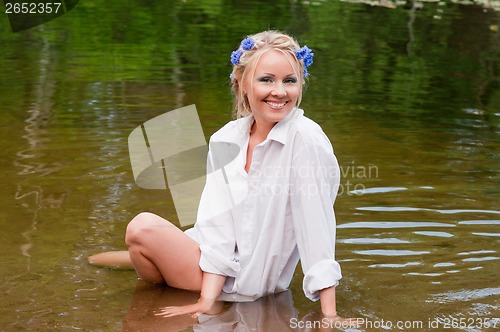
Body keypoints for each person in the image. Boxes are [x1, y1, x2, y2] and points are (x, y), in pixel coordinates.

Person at [89, 30, 351, 323]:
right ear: (242, 83)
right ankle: (143, 265)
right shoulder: (227, 138)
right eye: (267, 79)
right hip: (212, 260)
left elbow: (316, 225)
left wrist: (330, 315)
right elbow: (218, 225)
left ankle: (144, 262)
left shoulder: (306, 139)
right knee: (126, 260)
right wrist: (206, 301)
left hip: (246, 284)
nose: (280, 91)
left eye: (289, 80)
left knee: (141, 229)